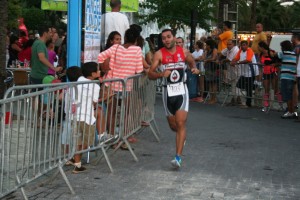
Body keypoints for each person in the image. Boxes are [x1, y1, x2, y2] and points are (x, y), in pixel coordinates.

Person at [148, 29, 200, 169]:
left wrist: (194, 68)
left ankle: (178, 157)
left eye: (169, 37)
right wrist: (160, 75)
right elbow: (150, 74)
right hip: (167, 93)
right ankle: (181, 137)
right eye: (164, 38)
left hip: (182, 91)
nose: (166, 40)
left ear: (174, 37)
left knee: (181, 122)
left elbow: (192, 62)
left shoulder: (183, 52)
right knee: (174, 126)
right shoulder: (159, 54)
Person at [98, 27, 144, 145]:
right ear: (136, 40)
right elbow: (139, 69)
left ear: (125, 38)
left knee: (111, 112)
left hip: (111, 85)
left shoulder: (115, 47)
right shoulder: (137, 50)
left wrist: (106, 69)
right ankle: (124, 137)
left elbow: (100, 57)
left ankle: (112, 137)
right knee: (127, 112)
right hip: (126, 87)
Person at [73, 62, 100, 173]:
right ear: (93, 73)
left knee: (78, 140)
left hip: (75, 116)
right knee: (87, 142)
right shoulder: (95, 86)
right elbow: (95, 101)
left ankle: (77, 164)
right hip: (87, 117)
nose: (100, 72)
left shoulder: (78, 81)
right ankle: (76, 157)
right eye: (98, 70)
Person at [231, 40, 259, 108]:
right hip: (244, 72)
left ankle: (248, 103)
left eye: (244, 45)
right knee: (239, 85)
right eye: (242, 45)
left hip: (250, 72)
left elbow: (248, 60)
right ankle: (255, 87)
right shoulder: (240, 50)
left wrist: (237, 63)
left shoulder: (250, 51)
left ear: (247, 45)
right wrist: (233, 61)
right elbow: (236, 57)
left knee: (248, 89)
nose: (243, 46)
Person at [258, 41, 282, 112]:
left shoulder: (271, 52)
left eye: (259, 47)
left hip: (273, 72)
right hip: (265, 73)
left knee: (276, 89)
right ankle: (266, 105)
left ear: (262, 47)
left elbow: (279, 62)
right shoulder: (261, 54)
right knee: (266, 89)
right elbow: (262, 62)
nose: (258, 48)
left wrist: (273, 64)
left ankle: (281, 105)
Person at [277, 41, 297, 119]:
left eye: (281, 47)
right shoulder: (294, 54)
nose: (281, 48)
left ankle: (290, 111)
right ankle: (293, 111)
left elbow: (275, 55)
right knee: (291, 95)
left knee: (287, 95)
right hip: (292, 76)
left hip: (285, 77)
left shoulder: (284, 53)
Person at [221, 39, 241, 106]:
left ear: (233, 44)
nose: (228, 46)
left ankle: (235, 99)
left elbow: (229, 59)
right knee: (234, 84)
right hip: (231, 69)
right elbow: (221, 52)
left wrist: (222, 60)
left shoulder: (235, 50)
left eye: (230, 44)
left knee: (235, 84)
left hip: (236, 69)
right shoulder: (228, 49)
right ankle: (236, 99)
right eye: (227, 44)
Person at [203, 39, 219, 104]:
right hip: (208, 69)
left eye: (206, 45)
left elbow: (214, 58)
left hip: (213, 68)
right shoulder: (207, 51)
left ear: (209, 45)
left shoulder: (214, 50)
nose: (205, 46)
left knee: (213, 84)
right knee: (210, 84)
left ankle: (214, 98)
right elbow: (203, 58)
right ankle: (211, 98)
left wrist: (207, 60)